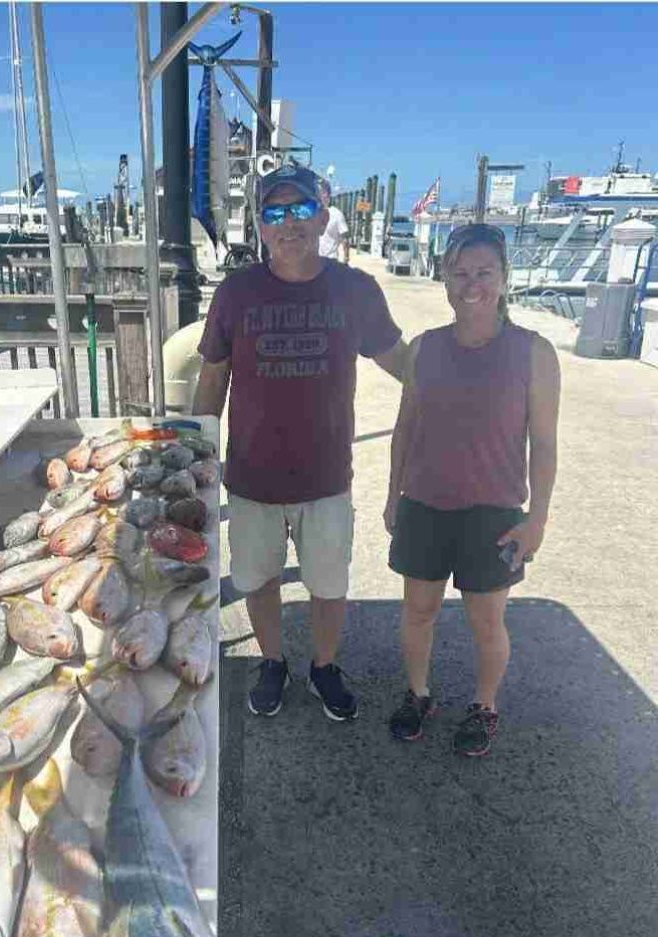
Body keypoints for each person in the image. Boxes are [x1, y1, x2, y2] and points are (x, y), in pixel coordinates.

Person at [192, 164, 405, 721]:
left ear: (322, 215)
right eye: (275, 212)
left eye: (301, 209)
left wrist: (462, 375)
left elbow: (402, 362)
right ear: (260, 225)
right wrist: (194, 455)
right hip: (252, 477)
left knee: (329, 585)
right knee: (257, 580)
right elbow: (212, 378)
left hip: (326, 476)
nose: (289, 222)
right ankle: (273, 661)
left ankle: (324, 666)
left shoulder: (355, 289)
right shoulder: (236, 293)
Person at [383, 223, 561, 756]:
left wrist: (537, 519)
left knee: (487, 621)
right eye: (460, 273)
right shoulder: (424, 348)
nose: (472, 284)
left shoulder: (534, 352)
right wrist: (393, 497)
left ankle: (485, 705)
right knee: (418, 610)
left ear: (504, 278)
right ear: (445, 279)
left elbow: (544, 443)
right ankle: (418, 694)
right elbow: (404, 429)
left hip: (494, 512)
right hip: (424, 505)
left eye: (484, 272)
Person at [318, 178, 350, 263]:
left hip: (330, 261)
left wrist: (346, 259)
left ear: (326, 194)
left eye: (320, 192)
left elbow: (345, 238)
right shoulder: (310, 212)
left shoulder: (336, 214)